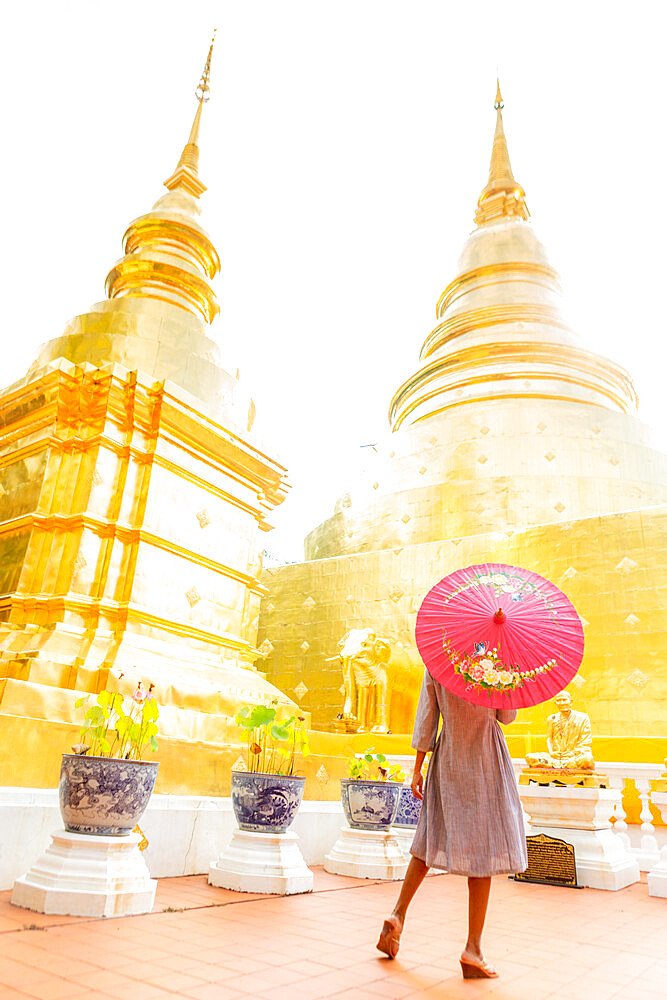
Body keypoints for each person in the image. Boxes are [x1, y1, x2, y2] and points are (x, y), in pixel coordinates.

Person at [377, 669, 527, 979]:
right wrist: (508, 678)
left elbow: (427, 718)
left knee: (430, 836)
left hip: (448, 756)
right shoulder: (496, 663)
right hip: (486, 756)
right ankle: (473, 948)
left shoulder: (439, 660)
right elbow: (507, 716)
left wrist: (417, 770)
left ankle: (398, 914)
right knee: (484, 850)